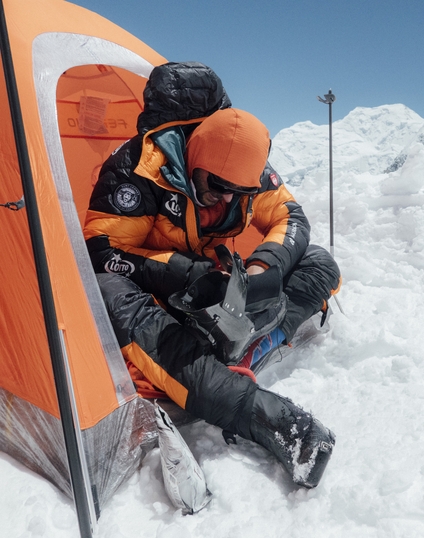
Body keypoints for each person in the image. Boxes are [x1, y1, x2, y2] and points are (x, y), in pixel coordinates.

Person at [83, 62, 341, 488]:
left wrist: (265, 269)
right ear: (192, 160)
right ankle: (251, 408)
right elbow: (102, 252)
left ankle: (248, 344)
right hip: (159, 292)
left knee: (318, 262)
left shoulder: (246, 167)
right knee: (106, 292)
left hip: (218, 292)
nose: (224, 199)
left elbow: (290, 216)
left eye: (237, 193)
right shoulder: (136, 170)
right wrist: (182, 273)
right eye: (214, 188)